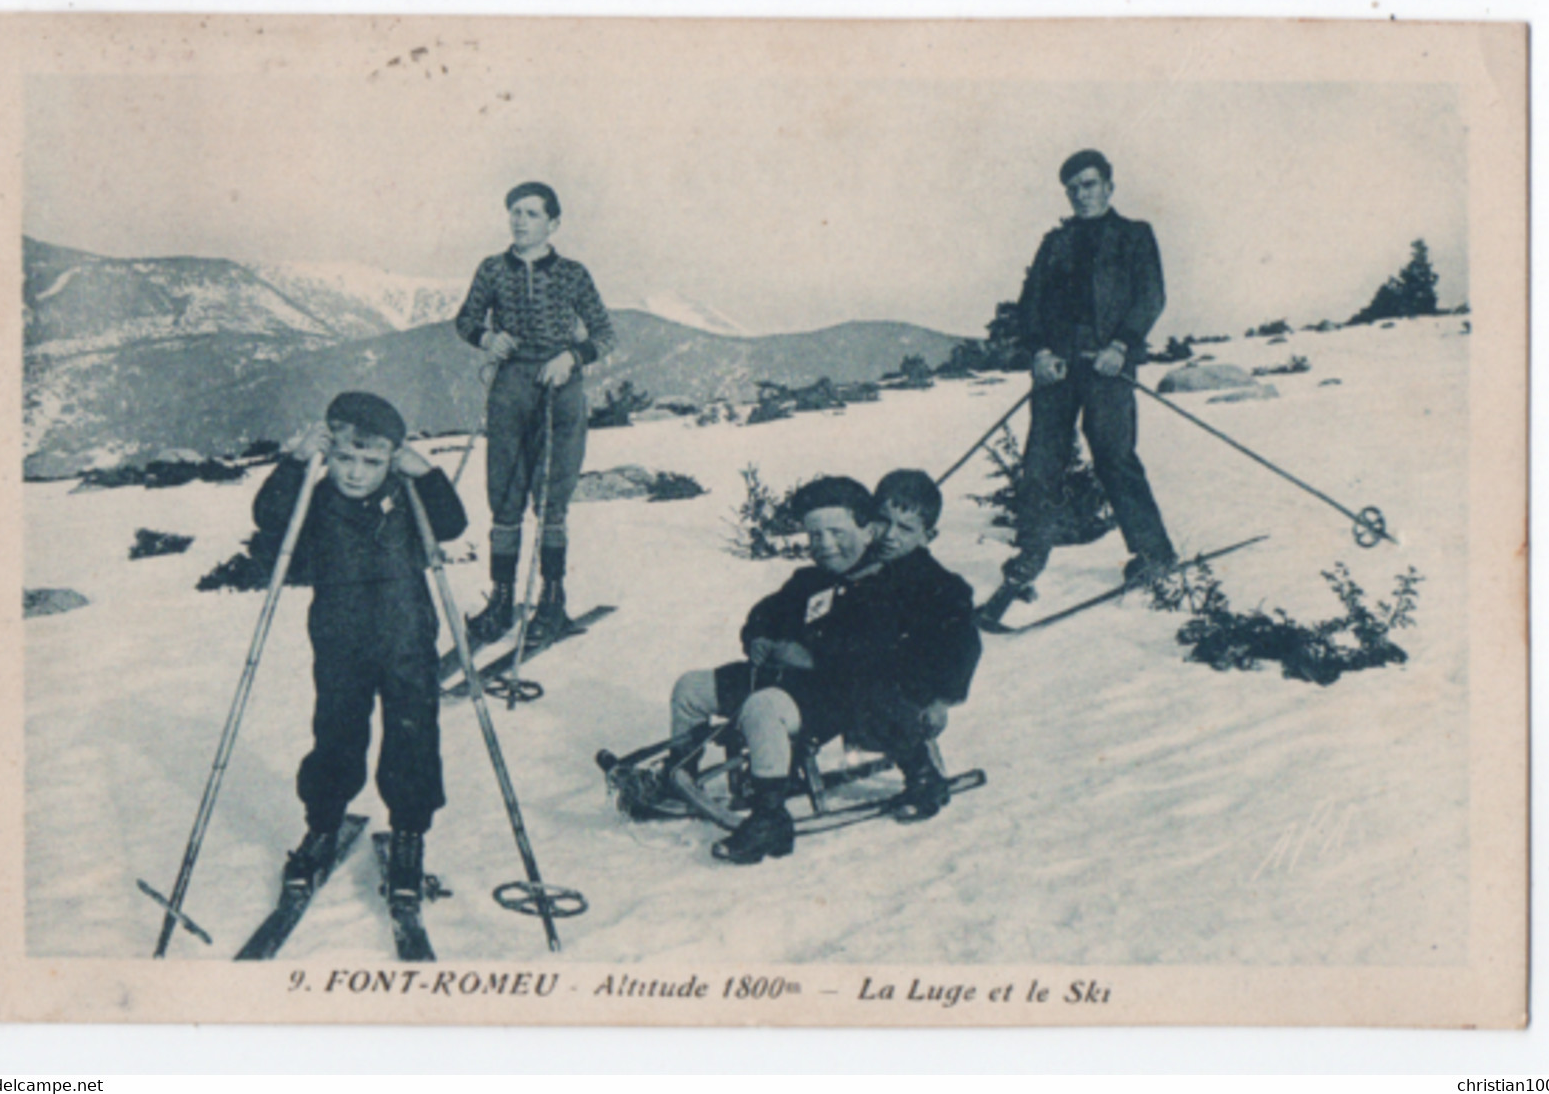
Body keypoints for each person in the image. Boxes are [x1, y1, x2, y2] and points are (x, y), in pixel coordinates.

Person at [666, 472, 982, 865]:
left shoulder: (913, 585)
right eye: (884, 522)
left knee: (842, 702)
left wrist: (942, 698)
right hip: (811, 683)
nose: (889, 536)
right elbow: (773, 610)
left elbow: (911, 649)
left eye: (904, 528)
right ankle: (679, 771)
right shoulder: (825, 575)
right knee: (693, 687)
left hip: (872, 691)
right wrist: (761, 636)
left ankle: (916, 778)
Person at [253, 391, 468, 902]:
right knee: (336, 731)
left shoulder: (405, 493)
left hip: (406, 633)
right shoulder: (318, 497)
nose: (354, 473)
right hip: (339, 634)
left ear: (389, 459)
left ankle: (410, 834)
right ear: (330, 455)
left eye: (371, 462)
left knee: (412, 734)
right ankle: (322, 826)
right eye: (344, 459)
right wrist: (298, 460)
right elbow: (269, 517)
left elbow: (453, 526)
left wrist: (426, 474)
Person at [981, 149, 1176, 624]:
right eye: (1073, 189)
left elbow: (1151, 296)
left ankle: (1154, 554)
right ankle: (1030, 556)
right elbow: (1030, 305)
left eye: (1089, 184)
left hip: (1107, 363)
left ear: (1109, 185)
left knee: (1114, 455)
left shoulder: (1134, 236)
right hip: (1058, 366)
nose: (1081, 195)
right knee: (1041, 461)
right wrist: (1038, 353)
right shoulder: (1054, 244)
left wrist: (1122, 347)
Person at [455, 181, 617, 648]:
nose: (519, 220)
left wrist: (572, 357)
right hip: (509, 388)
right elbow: (465, 320)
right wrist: (487, 339)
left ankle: (552, 600)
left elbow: (605, 334)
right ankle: (502, 599)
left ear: (553, 223)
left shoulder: (572, 273)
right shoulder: (491, 269)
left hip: (561, 389)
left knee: (552, 497)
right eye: (514, 212)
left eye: (530, 213)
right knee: (504, 495)